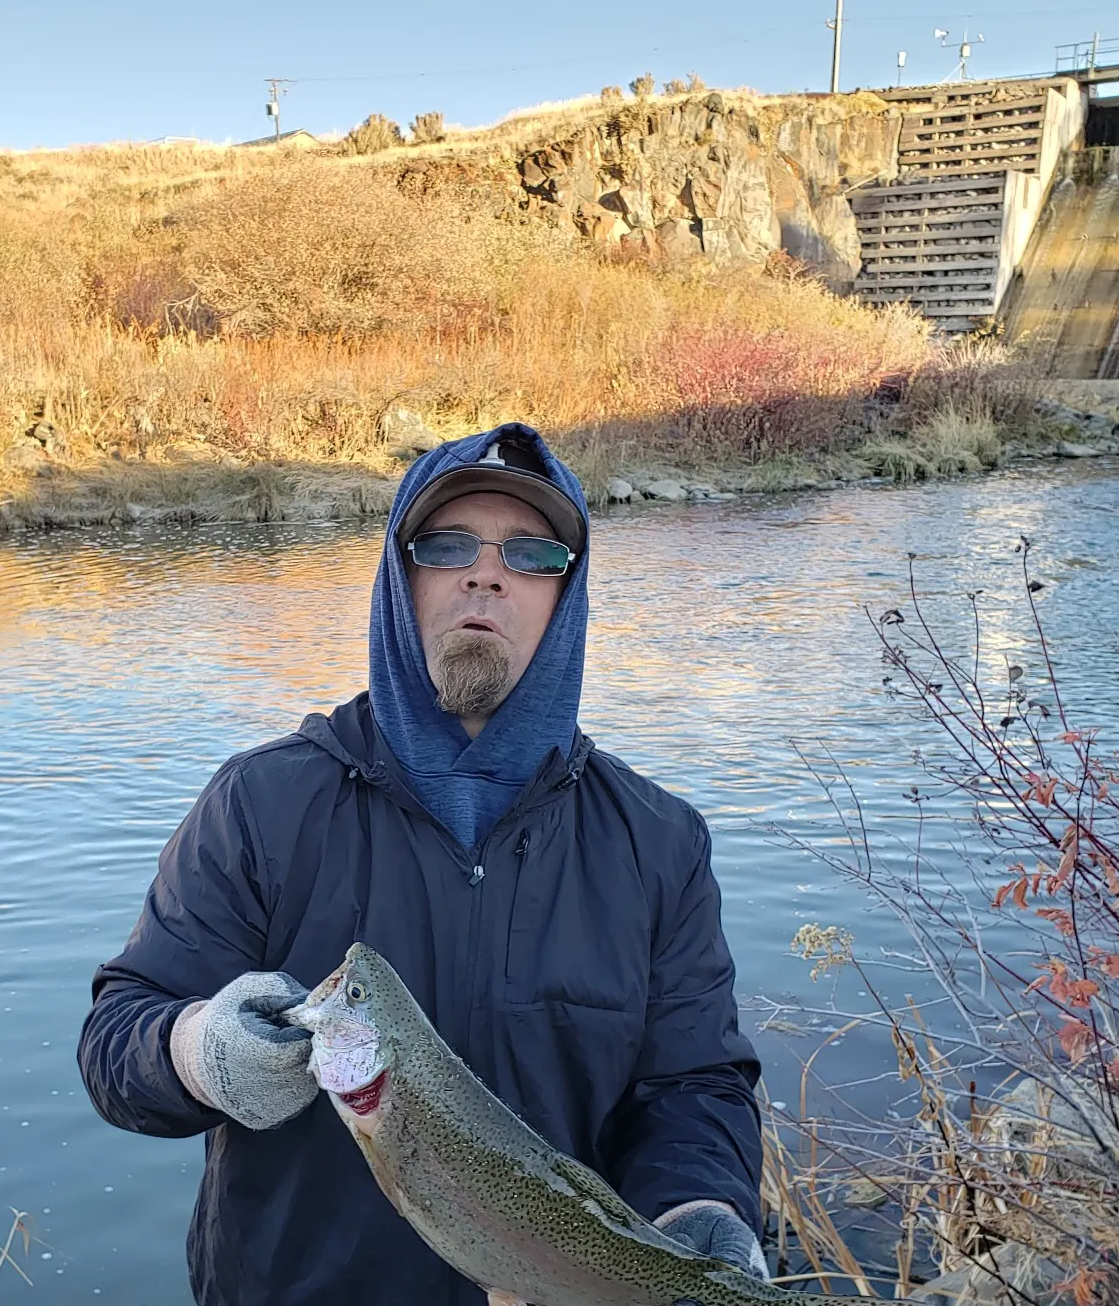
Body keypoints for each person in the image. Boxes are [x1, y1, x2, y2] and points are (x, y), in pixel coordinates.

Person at [78, 422, 765, 1306]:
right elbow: (115, 1041)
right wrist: (195, 1052)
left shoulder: (659, 843)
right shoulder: (260, 806)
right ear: (400, 580)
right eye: (447, 546)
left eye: (532, 552)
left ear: (569, 594)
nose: (486, 573)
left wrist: (697, 1220)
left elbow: (693, 1086)